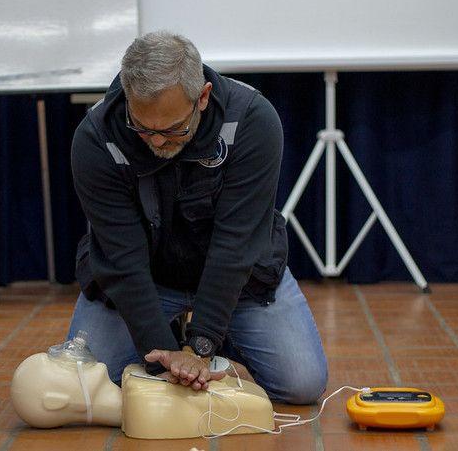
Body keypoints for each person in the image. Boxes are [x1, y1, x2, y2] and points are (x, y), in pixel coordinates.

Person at [68, 31, 327, 404]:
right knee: (83, 381)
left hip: (241, 275)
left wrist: (201, 345)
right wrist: (163, 352)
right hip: (147, 280)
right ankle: (172, 331)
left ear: (202, 97)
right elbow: (121, 259)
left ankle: (219, 336)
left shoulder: (252, 119)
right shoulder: (96, 137)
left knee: (302, 384)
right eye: (142, 127)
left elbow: (236, 245)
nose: (157, 142)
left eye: (173, 129)